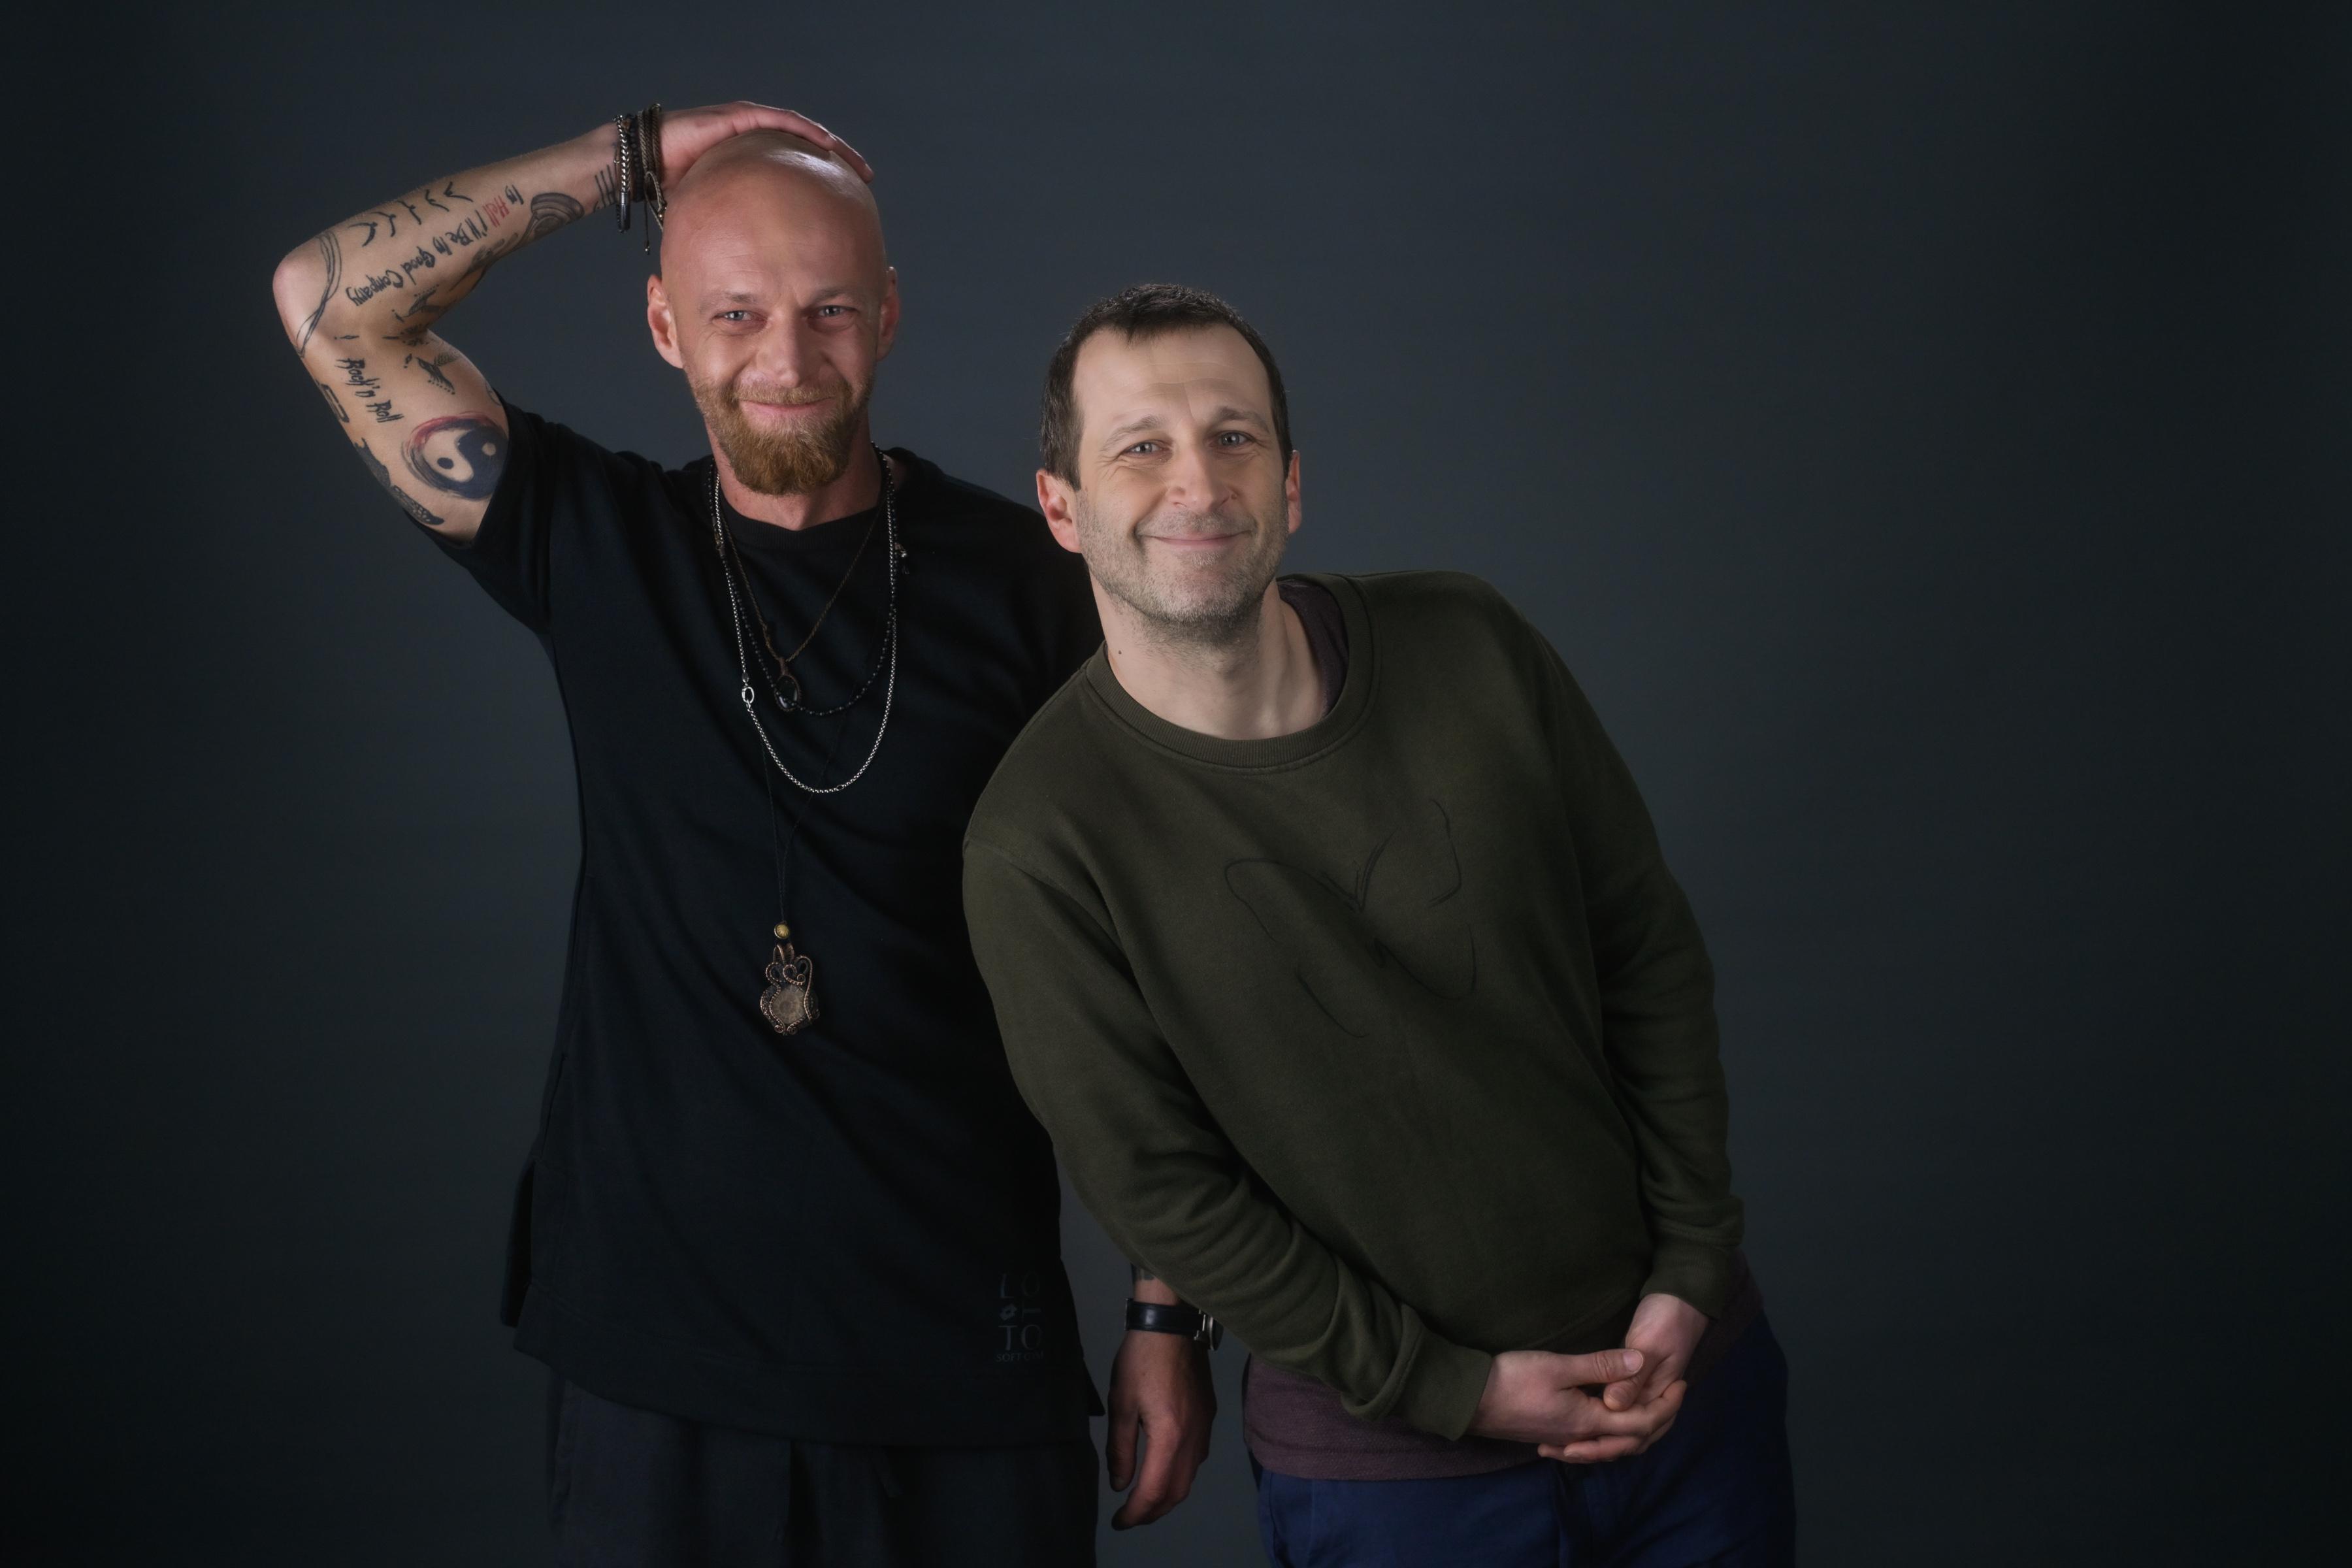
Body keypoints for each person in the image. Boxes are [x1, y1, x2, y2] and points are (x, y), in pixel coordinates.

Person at [270, 105, 1215, 1565]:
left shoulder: (1035, 582)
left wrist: (1165, 1310)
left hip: (960, 1354)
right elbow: (327, 301)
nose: (786, 358)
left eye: (829, 309)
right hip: (660, 1371)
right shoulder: (592, 540)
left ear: (887, 315)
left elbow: (1149, 945)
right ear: (664, 325)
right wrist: (631, 156)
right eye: (735, 313)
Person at [962, 284, 1797, 1565]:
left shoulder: (1470, 643)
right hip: (1398, 1480)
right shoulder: (1038, 842)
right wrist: (1451, 1389)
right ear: (1061, 508)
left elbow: (1647, 954)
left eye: (1233, 436)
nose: (1198, 481)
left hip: (1686, 1391)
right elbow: (1164, 1191)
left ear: (1292, 483)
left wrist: (1691, 1266)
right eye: (1140, 446)